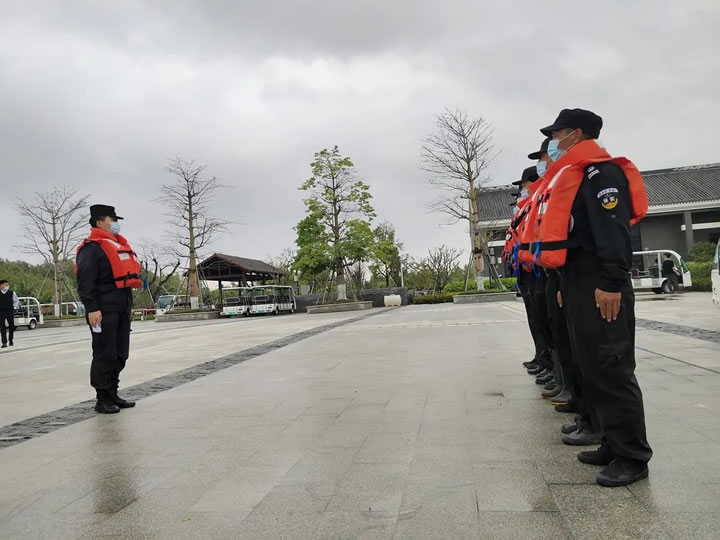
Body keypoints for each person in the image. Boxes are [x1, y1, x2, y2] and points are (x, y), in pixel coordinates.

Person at [538, 108, 652, 487]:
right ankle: (610, 441)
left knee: (611, 367)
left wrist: (612, 282)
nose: (555, 142)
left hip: (601, 285)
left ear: (577, 134)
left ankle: (632, 456)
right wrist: (562, 286)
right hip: (577, 283)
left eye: (559, 134)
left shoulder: (600, 174)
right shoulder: (573, 174)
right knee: (591, 367)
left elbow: (614, 232)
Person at [75, 204, 143, 414]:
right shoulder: (91, 249)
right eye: (112, 220)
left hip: (121, 308)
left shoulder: (116, 245)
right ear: (99, 222)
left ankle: (113, 392)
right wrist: (92, 308)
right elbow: (85, 282)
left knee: (120, 353)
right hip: (102, 310)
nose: (115, 223)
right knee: (105, 353)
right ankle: (102, 397)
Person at [0, 280, 20, 348]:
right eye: (5, 285)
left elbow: (16, 301)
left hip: (10, 311)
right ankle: (4, 342)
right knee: (2, 327)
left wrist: (14, 308)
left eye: (7, 285)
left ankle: (10, 339)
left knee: (12, 326)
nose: (7, 286)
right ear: (1, 285)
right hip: (1, 312)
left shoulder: (12, 293)